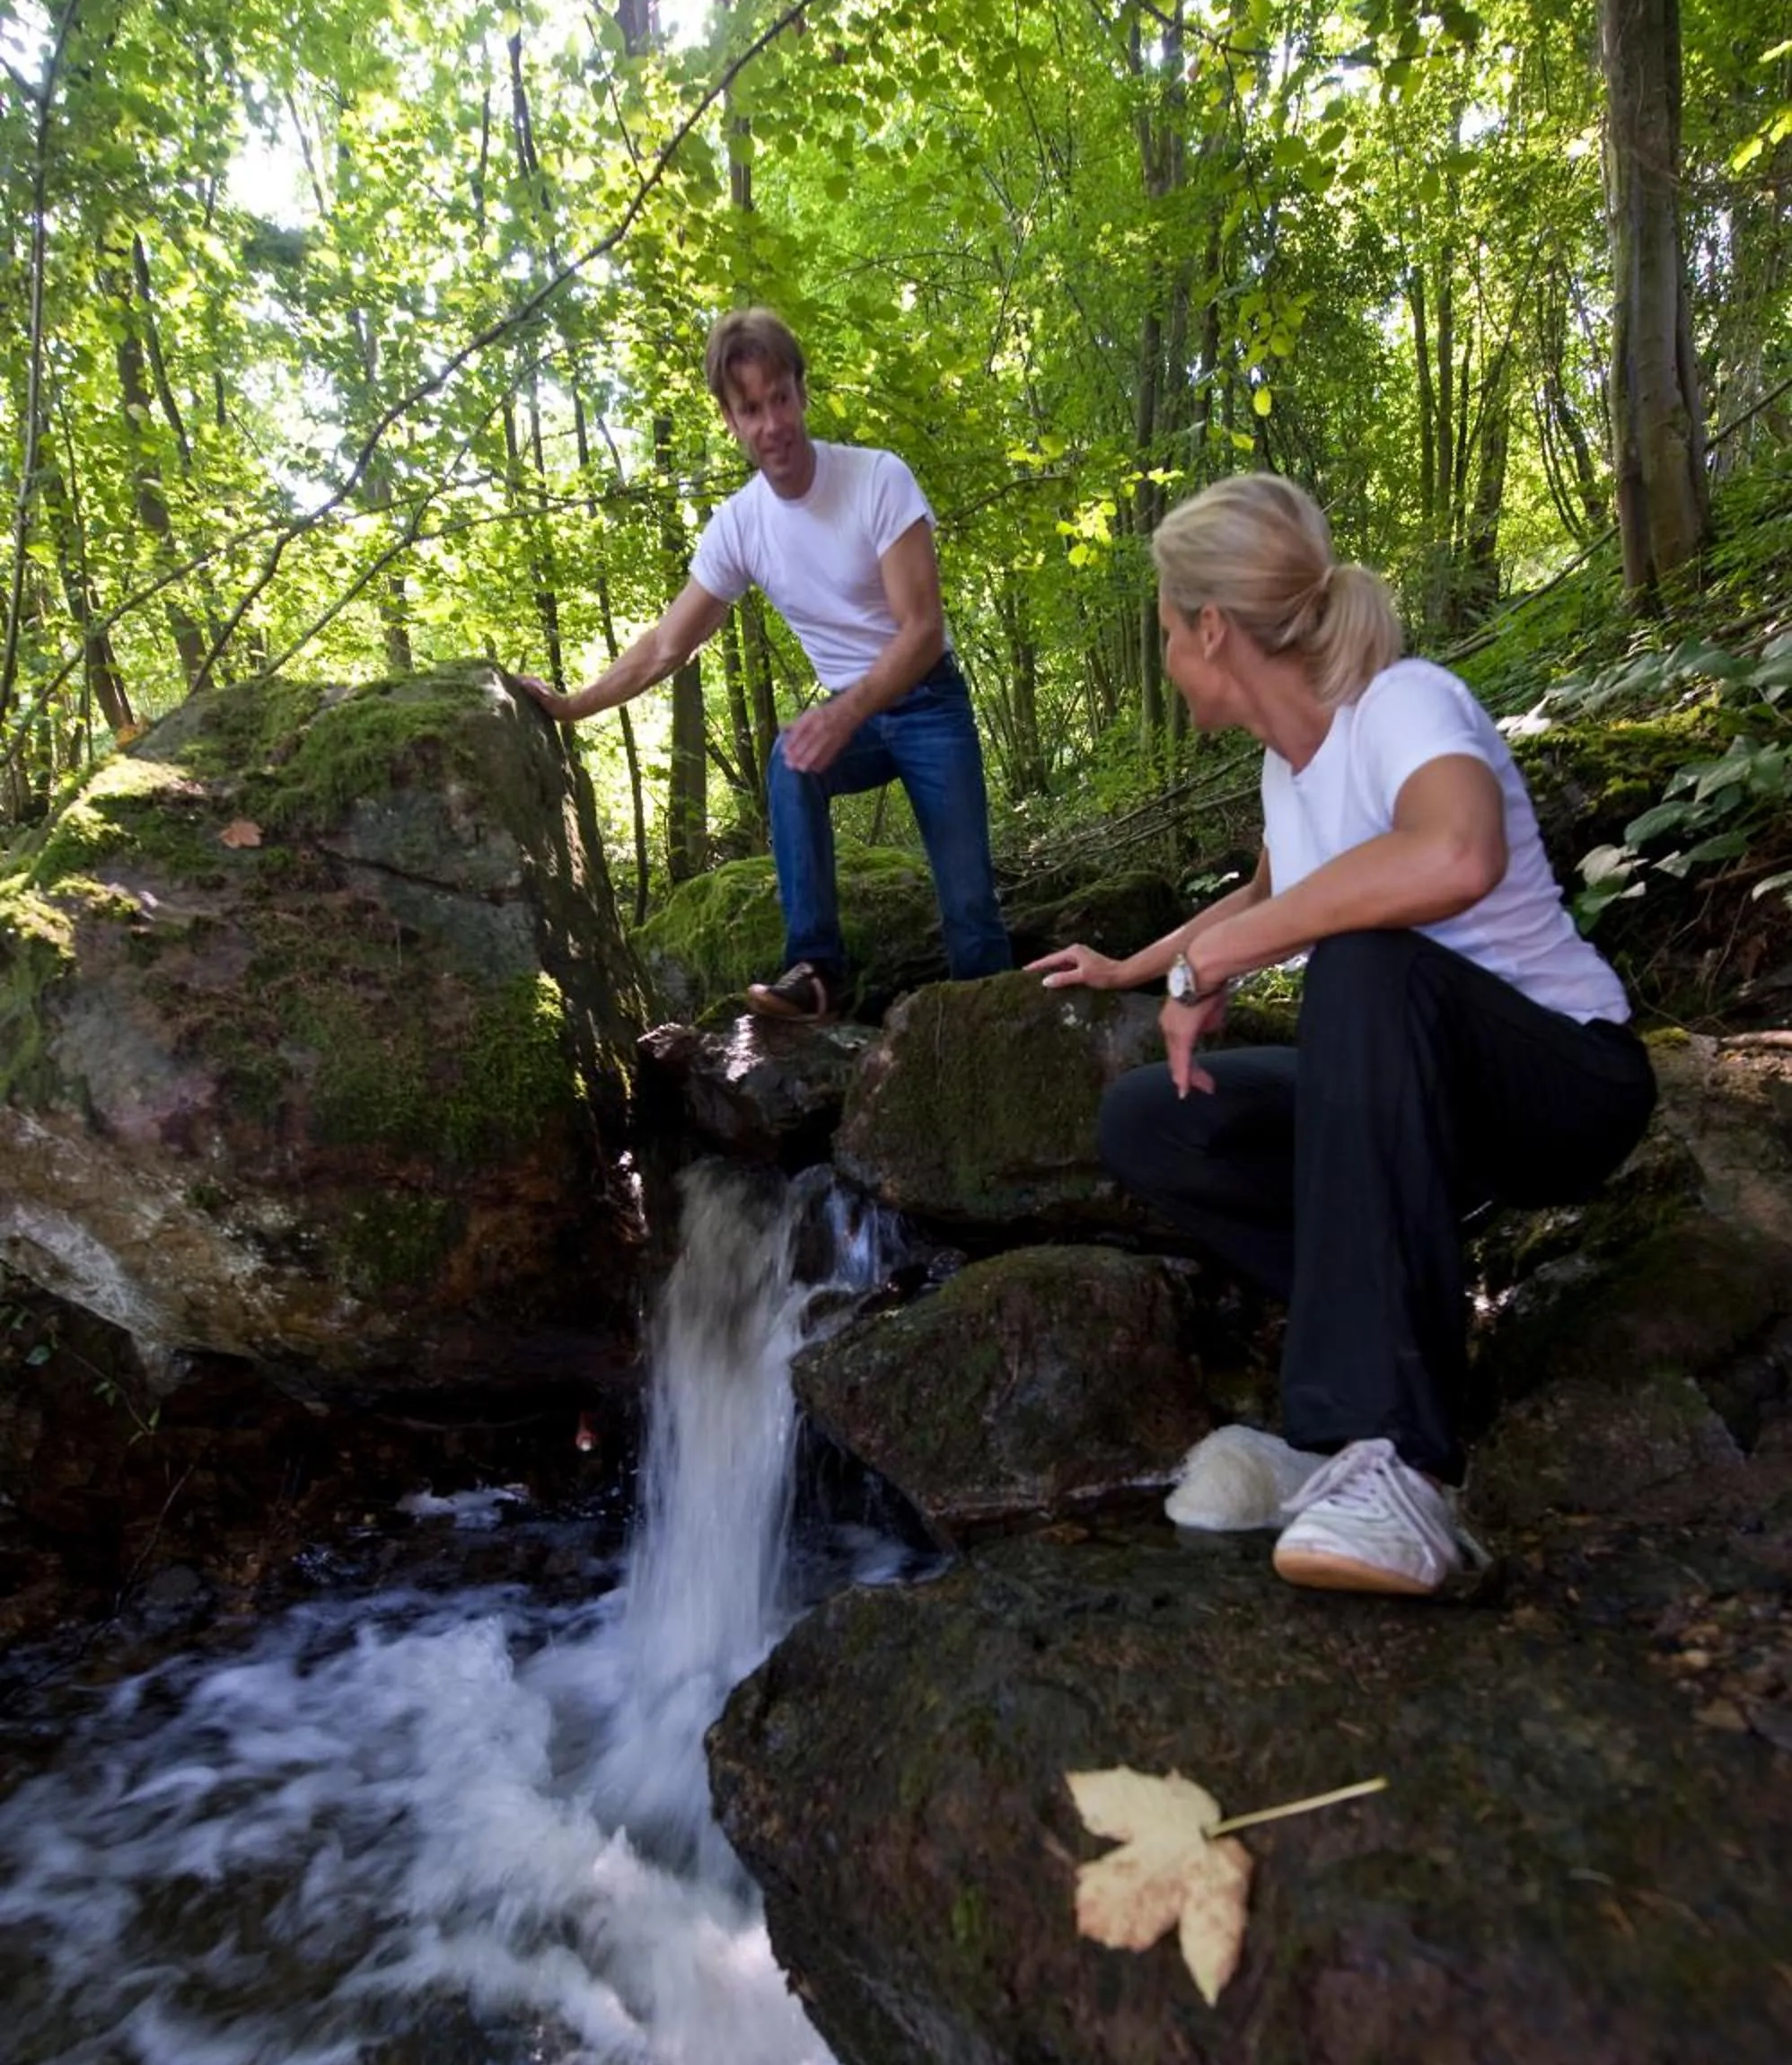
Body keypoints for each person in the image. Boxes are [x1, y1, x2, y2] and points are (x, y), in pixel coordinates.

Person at [1029, 472, 1656, 1598]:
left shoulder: (1403, 702)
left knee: (1364, 961)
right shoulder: (1285, 767)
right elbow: (1270, 890)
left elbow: (1450, 855)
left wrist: (1221, 960)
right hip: (1419, 1110)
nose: (1167, 654)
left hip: (1564, 1078)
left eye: (1167, 631)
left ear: (1211, 629)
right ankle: (1350, 1417)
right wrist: (1146, 966)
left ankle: (1397, 1462)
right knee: (1152, 1120)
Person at [514, 308, 1012, 1018]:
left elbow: (923, 631)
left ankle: (991, 1036)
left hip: (927, 703)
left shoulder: (877, 480)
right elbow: (667, 645)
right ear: (730, 420)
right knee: (791, 758)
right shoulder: (740, 525)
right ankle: (815, 972)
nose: (772, 423)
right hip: (857, 717)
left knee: (970, 914)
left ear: (803, 393)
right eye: (751, 408)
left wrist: (845, 711)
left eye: (780, 398)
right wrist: (570, 706)